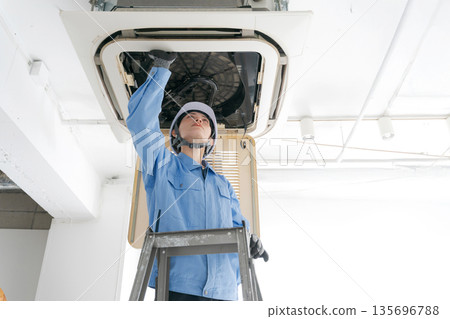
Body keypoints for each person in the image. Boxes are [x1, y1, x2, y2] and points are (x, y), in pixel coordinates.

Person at [126, 50, 267, 301]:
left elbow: (238, 227)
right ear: (175, 134)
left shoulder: (223, 184)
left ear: (212, 139)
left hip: (225, 290)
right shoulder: (160, 164)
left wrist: (251, 240)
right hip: (178, 285)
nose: (198, 119)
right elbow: (140, 122)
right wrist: (160, 68)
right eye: (189, 117)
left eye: (204, 119)